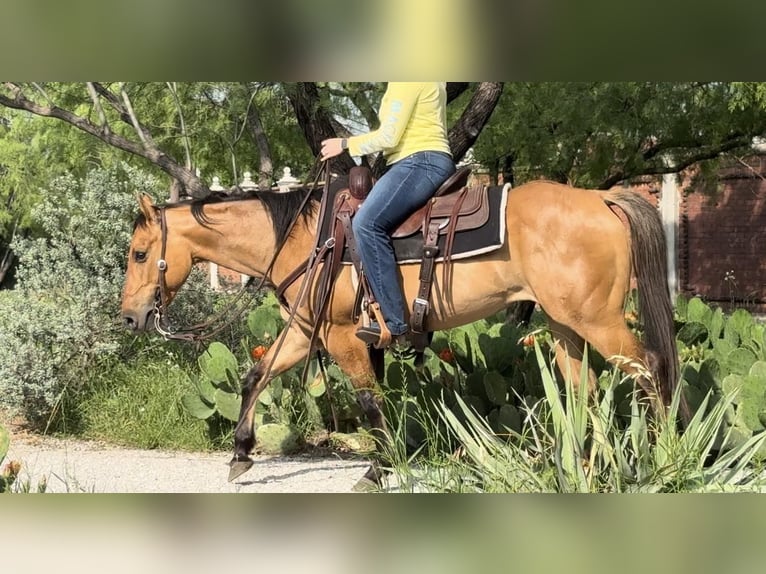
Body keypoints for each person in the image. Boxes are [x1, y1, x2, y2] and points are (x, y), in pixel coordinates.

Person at [321, 82, 455, 346]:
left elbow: (389, 137)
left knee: (366, 224)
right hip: (426, 159)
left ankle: (395, 325)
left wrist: (345, 143)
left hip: (419, 161)